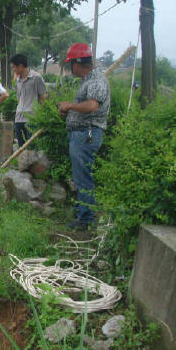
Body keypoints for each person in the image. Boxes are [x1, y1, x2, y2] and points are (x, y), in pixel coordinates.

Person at [57, 43, 110, 230]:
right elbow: (86, 106)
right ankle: (82, 210)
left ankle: (85, 219)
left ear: (77, 63)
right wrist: (70, 111)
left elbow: (92, 106)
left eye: (70, 64)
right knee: (80, 176)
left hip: (86, 135)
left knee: (83, 178)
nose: (70, 68)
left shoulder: (96, 80)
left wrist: (70, 106)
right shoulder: (88, 80)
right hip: (81, 134)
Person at [10, 54, 47, 147]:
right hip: (19, 118)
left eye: (14, 67)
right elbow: (19, 98)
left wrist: (41, 116)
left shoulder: (36, 77)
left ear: (21, 66)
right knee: (21, 147)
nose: (13, 70)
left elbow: (43, 97)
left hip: (31, 118)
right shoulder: (18, 80)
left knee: (32, 147)